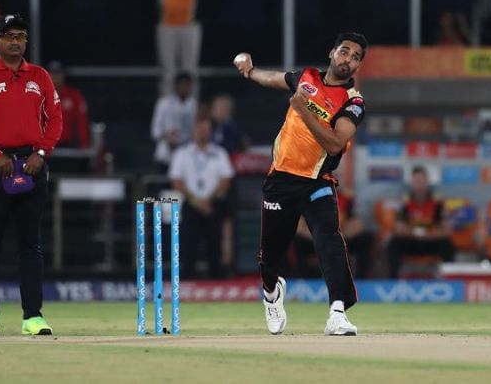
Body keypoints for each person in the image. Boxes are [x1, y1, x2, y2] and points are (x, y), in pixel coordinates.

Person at [233, 32, 368, 336]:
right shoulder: (306, 77)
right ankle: (272, 292)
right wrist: (250, 71)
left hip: (316, 181)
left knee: (328, 239)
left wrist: (304, 110)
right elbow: (274, 79)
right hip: (280, 179)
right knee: (269, 257)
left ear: (358, 67)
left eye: (355, 57)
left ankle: (337, 312)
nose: (348, 59)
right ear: (332, 52)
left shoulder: (353, 102)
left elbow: (334, 145)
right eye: (344, 51)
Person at [0, 14, 63, 337]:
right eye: (8, 36)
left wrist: (42, 153)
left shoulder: (40, 76)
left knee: (30, 244)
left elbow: (55, 120)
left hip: (32, 165)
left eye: (20, 35)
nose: (15, 41)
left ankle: (33, 316)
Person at [169, 118, 235, 279]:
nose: (202, 133)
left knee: (215, 246)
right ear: (193, 132)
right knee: (189, 246)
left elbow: (226, 180)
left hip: (213, 204)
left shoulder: (219, 153)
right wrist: (196, 201)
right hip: (191, 205)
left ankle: (217, 282)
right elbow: (176, 181)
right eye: (199, 129)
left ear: (210, 132)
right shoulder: (182, 153)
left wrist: (208, 200)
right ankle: (186, 283)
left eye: (205, 130)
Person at [386, 166, 455, 279]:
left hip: (431, 241)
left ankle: (450, 281)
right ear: (412, 183)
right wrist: (414, 233)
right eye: (416, 181)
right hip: (411, 241)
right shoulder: (404, 201)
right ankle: (393, 282)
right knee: (393, 244)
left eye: (422, 181)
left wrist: (430, 234)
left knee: (447, 244)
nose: (419, 185)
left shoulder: (438, 201)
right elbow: (398, 228)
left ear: (427, 182)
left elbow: (446, 229)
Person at [156, 0, 202, 95]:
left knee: (189, 67)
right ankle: (167, 102)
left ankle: (191, 100)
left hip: (188, 24)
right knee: (168, 69)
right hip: (167, 24)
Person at [150, 72, 197, 173]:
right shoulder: (164, 103)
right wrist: (168, 139)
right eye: (182, 84)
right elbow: (155, 131)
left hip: (187, 155)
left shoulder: (194, 105)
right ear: (175, 86)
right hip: (165, 155)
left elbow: (195, 131)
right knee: (163, 186)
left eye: (187, 85)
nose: (184, 88)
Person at [48, 60, 90, 148]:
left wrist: (84, 143)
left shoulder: (73, 95)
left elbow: (82, 121)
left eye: (58, 73)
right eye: (52, 73)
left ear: (63, 75)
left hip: (68, 145)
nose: (55, 77)